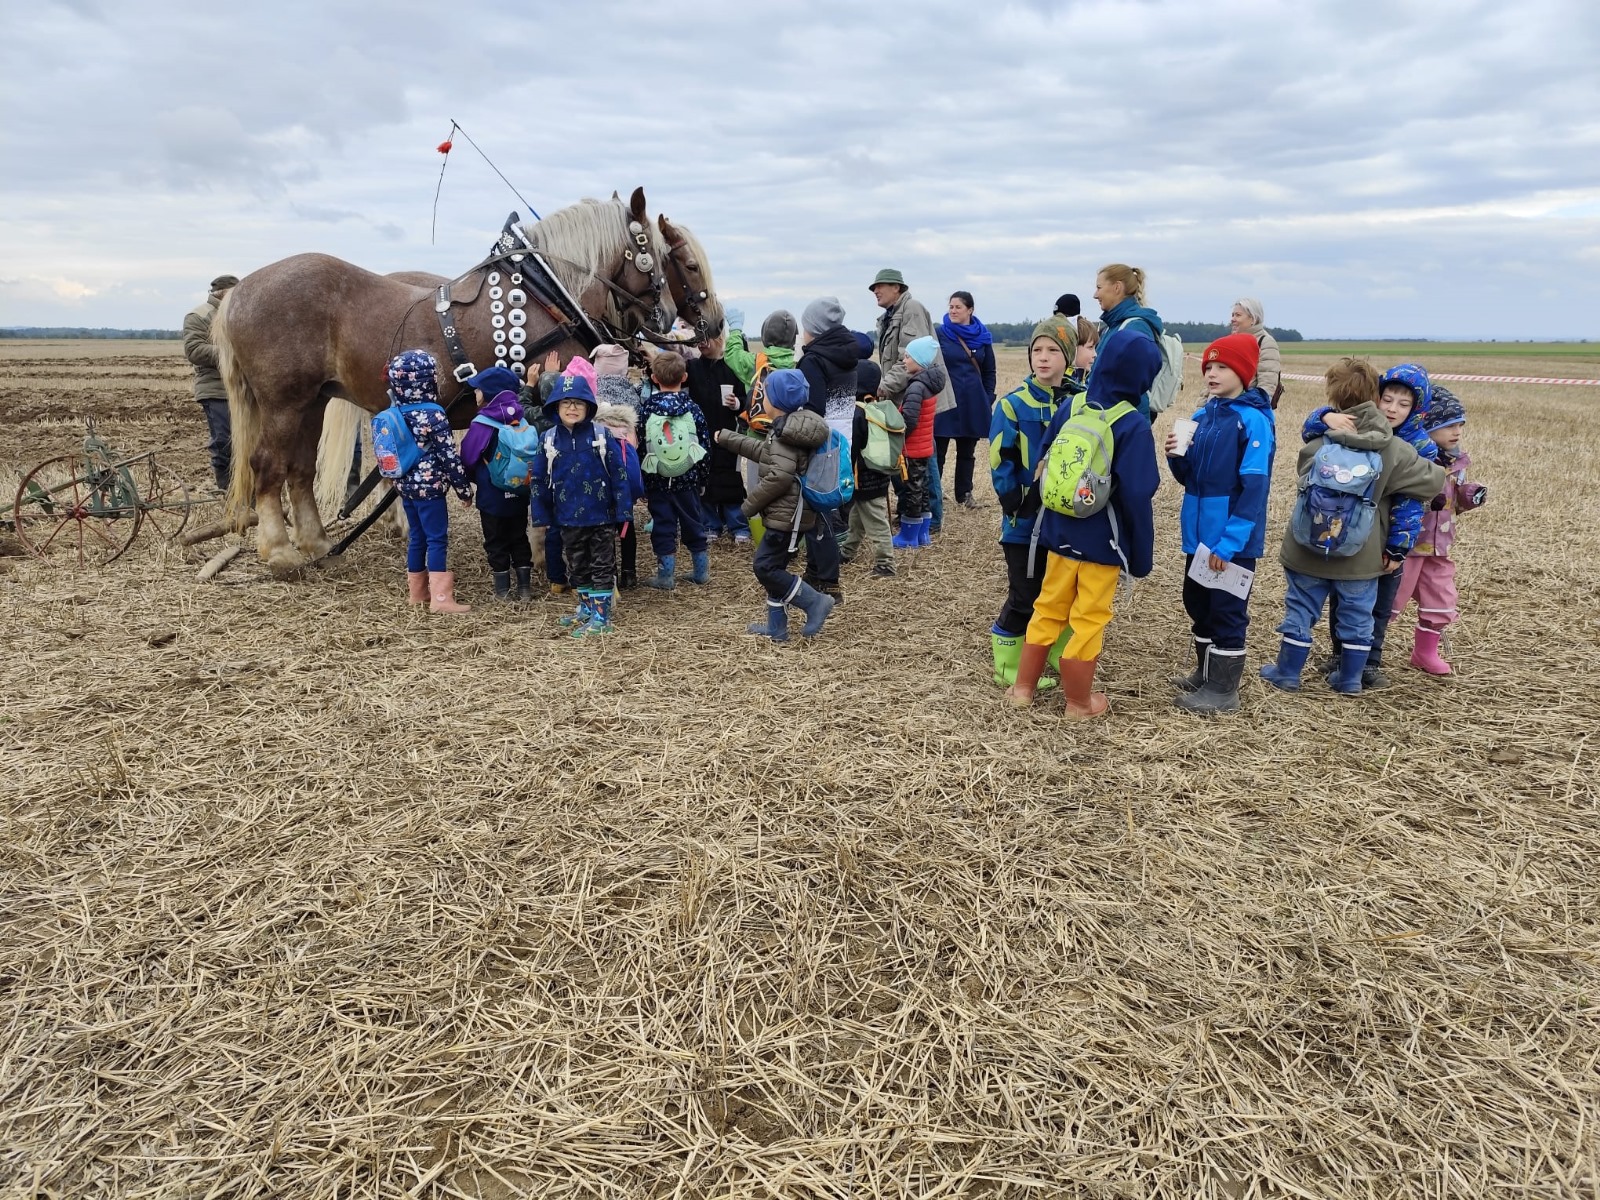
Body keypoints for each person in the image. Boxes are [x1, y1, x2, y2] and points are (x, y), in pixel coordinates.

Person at [1259, 359, 1446, 694]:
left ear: (1332, 397)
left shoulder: (1319, 441)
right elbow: (1433, 482)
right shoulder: (1396, 449)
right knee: (1359, 616)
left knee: (1300, 609)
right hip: (1361, 554)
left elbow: (1303, 472)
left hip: (1307, 546)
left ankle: (1287, 673)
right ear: (1376, 396)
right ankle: (1350, 680)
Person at [1007, 330, 1162, 719]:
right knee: (1088, 618)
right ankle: (1078, 703)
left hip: (1057, 536)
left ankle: (1023, 688)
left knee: (1047, 607)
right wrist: (1139, 556)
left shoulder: (1072, 405)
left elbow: (1043, 459)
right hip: (1102, 544)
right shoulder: (1131, 423)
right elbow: (1138, 495)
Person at [1165, 333, 1276, 714]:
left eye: (1222, 366)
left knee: (1227, 609)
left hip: (1231, 541)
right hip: (1197, 536)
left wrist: (1230, 543)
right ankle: (1206, 671)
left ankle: (1223, 690)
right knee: (1198, 602)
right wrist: (1176, 459)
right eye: (1208, 366)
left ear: (1243, 372)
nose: (1212, 373)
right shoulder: (1202, 416)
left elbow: (1255, 487)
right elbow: (1189, 478)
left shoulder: (1253, 421)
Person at [1312, 362, 1441, 686]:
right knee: (1343, 597)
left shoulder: (1421, 446)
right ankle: (1340, 656)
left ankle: (1370, 662)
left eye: (1404, 403)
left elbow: (1413, 501)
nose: (1393, 408)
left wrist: (1398, 547)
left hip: (1388, 539)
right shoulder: (1360, 427)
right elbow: (1310, 429)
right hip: (1353, 533)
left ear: (1417, 409)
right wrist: (1324, 416)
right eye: (1388, 399)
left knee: (1379, 605)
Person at [986, 317, 1086, 689]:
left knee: (1062, 594)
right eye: (1036, 350)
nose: (1043, 358)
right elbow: (1000, 458)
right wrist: (1016, 505)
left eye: (1053, 350)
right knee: (1025, 595)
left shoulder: (1082, 403)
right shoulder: (1012, 405)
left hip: (1067, 520)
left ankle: (1058, 656)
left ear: (1069, 356)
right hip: (1024, 523)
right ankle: (1007, 668)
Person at [714, 369, 836, 641]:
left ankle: (815, 601)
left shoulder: (786, 433)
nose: (761, 399)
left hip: (787, 516)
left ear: (775, 401)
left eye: (764, 394)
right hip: (789, 513)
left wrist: (748, 506)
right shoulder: (787, 429)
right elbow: (764, 453)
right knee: (774, 570)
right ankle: (777, 627)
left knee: (765, 568)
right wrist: (727, 438)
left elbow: (779, 477)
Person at [1391, 389, 1486, 675]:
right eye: (1449, 425)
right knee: (1390, 601)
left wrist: (1467, 496)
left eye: (1460, 425)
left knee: (1441, 599)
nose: (1457, 432)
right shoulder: (1414, 459)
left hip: (1439, 546)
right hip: (1408, 546)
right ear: (1427, 426)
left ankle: (1424, 652)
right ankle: (1367, 652)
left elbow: (1452, 500)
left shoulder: (1457, 463)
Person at [529, 372, 630, 636]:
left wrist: (623, 510)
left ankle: (601, 617)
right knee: (576, 565)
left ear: (589, 407)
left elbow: (619, 474)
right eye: (565, 402)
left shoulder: (602, 436)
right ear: (555, 407)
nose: (572, 408)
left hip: (601, 517)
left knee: (602, 565)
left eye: (578, 402)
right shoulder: (548, 440)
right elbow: (539, 479)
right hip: (567, 517)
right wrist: (541, 515)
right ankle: (586, 609)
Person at [383, 349, 473, 614]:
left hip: (405, 487)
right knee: (437, 539)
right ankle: (441, 600)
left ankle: (417, 594)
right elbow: (448, 457)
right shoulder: (434, 415)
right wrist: (463, 489)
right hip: (430, 489)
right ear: (430, 380)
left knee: (417, 538)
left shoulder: (395, 412)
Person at [796, 297, 859, 603]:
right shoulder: (846, 354)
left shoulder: (813, 360)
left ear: (815, 328)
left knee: (819, 511)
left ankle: (829, 582)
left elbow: (813, 408)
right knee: (823, 507)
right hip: (842, 440)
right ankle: (814, 569)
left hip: (820, 443)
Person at [458, 365, 535, 602]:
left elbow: (468, 457)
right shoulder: (519, 418)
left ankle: (502, 591)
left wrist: (472, 482)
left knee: (495, 540)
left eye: (478, 389)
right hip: (520, 493)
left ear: (490, 392)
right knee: (519, 536)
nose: (475, 393)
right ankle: (524, 587)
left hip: (491, 495)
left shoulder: (482, 424)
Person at [635, 352, 712, 589]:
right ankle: (701, 572)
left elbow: (641, 444)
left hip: (658, 481)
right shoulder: (693, 408)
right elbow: (703, 445)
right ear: (685, 377)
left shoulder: (647, 409)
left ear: (655, 378)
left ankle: (666, 577)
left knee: (663, 525)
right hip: (687, 480)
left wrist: (643, 478)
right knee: (694, 523)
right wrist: (702, 476)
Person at [682, 331, 751, 545]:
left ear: (720, 339)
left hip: (727, 433)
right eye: (698, 339)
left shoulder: (732, 368)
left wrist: (736, 404)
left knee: (730, 480)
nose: (701, 343)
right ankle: (711, 525)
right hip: (699, 434)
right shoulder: (692, 367)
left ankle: (738, 526)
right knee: (704, 480)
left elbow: (745, 397)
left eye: (707, 338)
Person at [934, 291, 997, 510]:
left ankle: (965, 494)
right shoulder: (939, 334)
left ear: (970, 310)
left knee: (967, 452)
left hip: (972, 403)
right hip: (945, 401)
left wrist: (987, 397)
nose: (952, 310)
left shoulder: (983, 337)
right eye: (950, 306)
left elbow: (989, 370)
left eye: (957, 307)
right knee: (938, 450)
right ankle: (934, 493)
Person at [842, 361, 901, 578]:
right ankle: (848, 550)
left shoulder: (857, 413)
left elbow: (852, 448)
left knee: (876, 522)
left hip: (862, 477)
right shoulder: (876, 408)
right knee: (858, 517)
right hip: (877, 475)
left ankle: (886, 563)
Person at [182, 273, 238, 490]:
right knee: (224, 442)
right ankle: (225, 489)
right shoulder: (199, 315)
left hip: (243, 389)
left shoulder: (239, 313)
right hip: (215, 389)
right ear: (222, 293)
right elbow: (194, 350)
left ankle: (246, 490)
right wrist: (234, 353)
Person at [890, 337, 946, 550]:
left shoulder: (916, 387)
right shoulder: (928, 385)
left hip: (912, 448)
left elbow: (910, 421)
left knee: (912, 490)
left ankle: (908, 535)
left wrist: (896, 429)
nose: (904, 360)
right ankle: (923, 533)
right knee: (921, 489)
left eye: (908, 356)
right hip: (924, 446)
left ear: (920, 360)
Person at [1093, 263, 1167, 421]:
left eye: (1099, 287)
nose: (1095, 295)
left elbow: (1133, 384)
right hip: (1109, 418)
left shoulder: (1135, 327)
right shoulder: (1112, 328)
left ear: (1117, 287)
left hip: (1124, 421)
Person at [592, 395, 645, 592]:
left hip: (605, 492)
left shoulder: (597, 430)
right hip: (626, 491)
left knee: (606, 533)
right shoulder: (627, 428)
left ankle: (611, 574)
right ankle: (629, 573)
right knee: (626, 528)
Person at [869, 268, 943, 407]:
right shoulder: (889, 317)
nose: (875, 291)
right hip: (905, 400)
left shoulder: (911, 308)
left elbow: (912, 360)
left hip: (917, 403)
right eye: (874, 288)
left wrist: (882, 388)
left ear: (896, 287)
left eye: (880, 286)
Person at [1229, 298, 1282, 406]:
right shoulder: (1228, 342)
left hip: (1246, 408)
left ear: (1253, 319)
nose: (1233, 319)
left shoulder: (1266, 342)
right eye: (1232, 315)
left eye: (1238, 315)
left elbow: (1267, 384)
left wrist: (1255, 410)